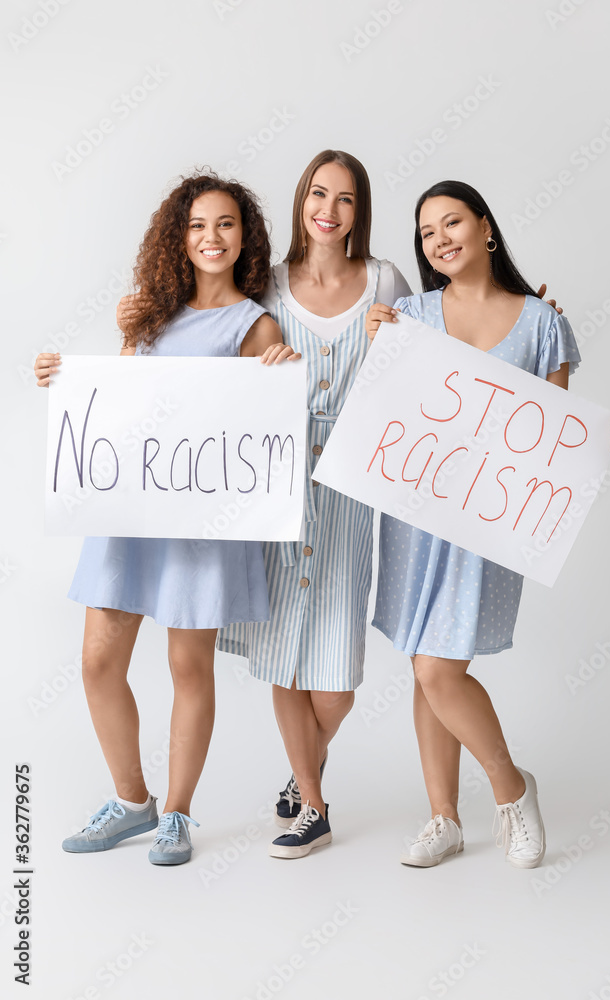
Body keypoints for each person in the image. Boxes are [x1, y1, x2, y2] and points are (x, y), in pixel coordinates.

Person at [365, 180, 610, 870]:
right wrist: (375, 343)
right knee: (426, 669)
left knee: (438, 667)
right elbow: (381, 406)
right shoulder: (409, 315)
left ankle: (511, 788)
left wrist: (598, 436)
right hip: (417, 516)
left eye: (450, 222)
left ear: (485, 228)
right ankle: (444, 818)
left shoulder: (542, 323)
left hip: (486, 521)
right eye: (426, 233)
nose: (439, 239)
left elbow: (550, 435)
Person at [33, 172, 300, 866]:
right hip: (130, 513)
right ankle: (131, 802)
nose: (212, 238)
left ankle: (177, 813)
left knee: (188, 666)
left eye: (226, 225)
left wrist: (281, 372)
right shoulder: (147, 314)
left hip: (201, 527)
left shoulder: (254, 324)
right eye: (197, 226)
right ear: (177, 238)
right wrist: (64, 378)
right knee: (97, 663)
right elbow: (120, 403)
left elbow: (264, 429)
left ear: (246, 238)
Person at [217, 150, 413, 859]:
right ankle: (316, 806)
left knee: (333, 666)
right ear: (302, 200)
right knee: (280, 654)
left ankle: (307, 766)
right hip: (276, 482)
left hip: (353, 484)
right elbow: (215, 348)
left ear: (360, 212)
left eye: (346, 199)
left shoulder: (386, 279)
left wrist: (525, 302)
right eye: (318, 194)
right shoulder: (264, 286)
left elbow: (440, 348)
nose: (328, 209)